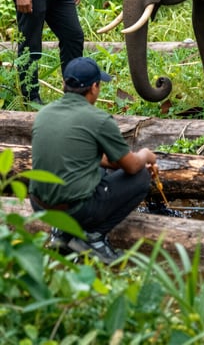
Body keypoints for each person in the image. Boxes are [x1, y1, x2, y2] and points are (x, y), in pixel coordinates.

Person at [29, 57, 157, 262]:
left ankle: (61, 234)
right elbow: (132, 167)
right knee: (141, 177)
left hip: (39, 206)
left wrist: (107, 162)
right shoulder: (98, 120)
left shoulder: (44, 113)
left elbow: (73, 157)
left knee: (99, 171)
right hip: (76, 209)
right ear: (94, 87)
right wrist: (146, 155)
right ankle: (94, 238)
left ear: (65, 84)